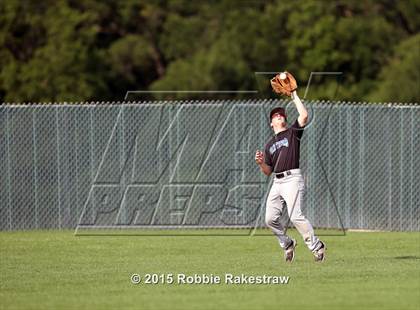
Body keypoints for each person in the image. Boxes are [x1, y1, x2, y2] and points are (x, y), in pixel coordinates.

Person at [255, 90, 326, 262]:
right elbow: (267, 171)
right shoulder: (269, 144)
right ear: (271, 123)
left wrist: (293, 95)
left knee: (295, 216)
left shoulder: (292, 133)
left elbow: (304, 115)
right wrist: (261, 163)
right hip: (277, 182)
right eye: (275, 115)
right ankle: (287, 244)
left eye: (281, 115)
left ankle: (317, 247)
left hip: (292, 179)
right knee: (270, 219)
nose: (279, 116)